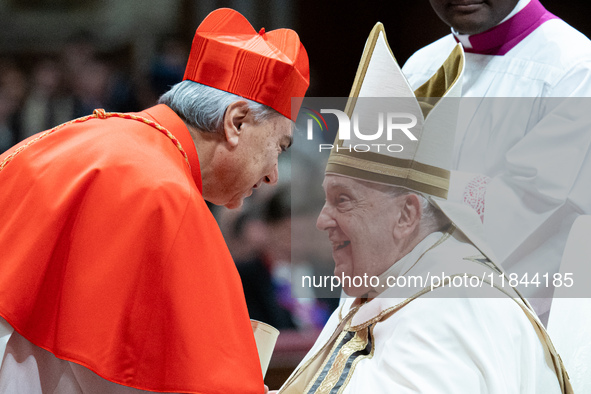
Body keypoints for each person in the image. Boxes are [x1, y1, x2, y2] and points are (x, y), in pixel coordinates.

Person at [0, 8, 309, 394]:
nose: (272, 175)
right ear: (237, 122)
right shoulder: (167, 196)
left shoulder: (75, 137)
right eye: (278, 147)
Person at [275, 22, 570, 393]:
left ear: (407, 214)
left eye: (343, 201)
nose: (321, 221)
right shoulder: (385, 283)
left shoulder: (452, 306)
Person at [402, 0, 591, 323]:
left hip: (519, 321)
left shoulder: (574, 67)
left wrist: (401, 195)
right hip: (419, 311)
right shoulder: (420, 68)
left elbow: (526, 203)